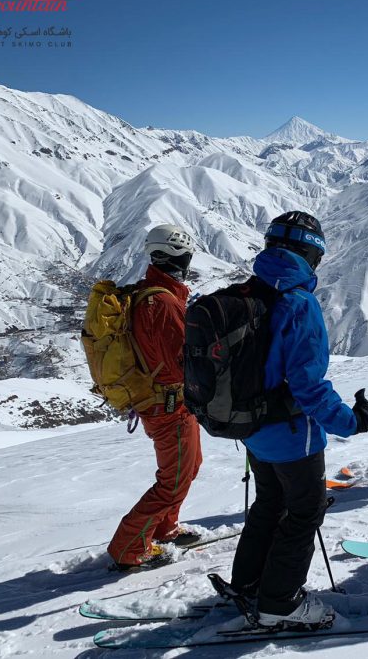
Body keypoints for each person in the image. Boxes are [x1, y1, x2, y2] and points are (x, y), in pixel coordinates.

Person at [229, 211, 368, 628]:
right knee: (305, 510)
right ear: (311, 256)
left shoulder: (249, 292)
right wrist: (353, 422)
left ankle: (247, 583)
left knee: (269, 503)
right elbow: (309, 387)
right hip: (291, 433)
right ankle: (279, 603)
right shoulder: (299, 304)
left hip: (253, 429)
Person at [107, 224, 204, 570]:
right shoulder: (162, 302)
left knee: (187, 468)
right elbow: (182, 358)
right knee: (173, 479)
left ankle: (166, 528)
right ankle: (128, 548)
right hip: (170, 404)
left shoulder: (154, 293)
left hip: (167, 402)